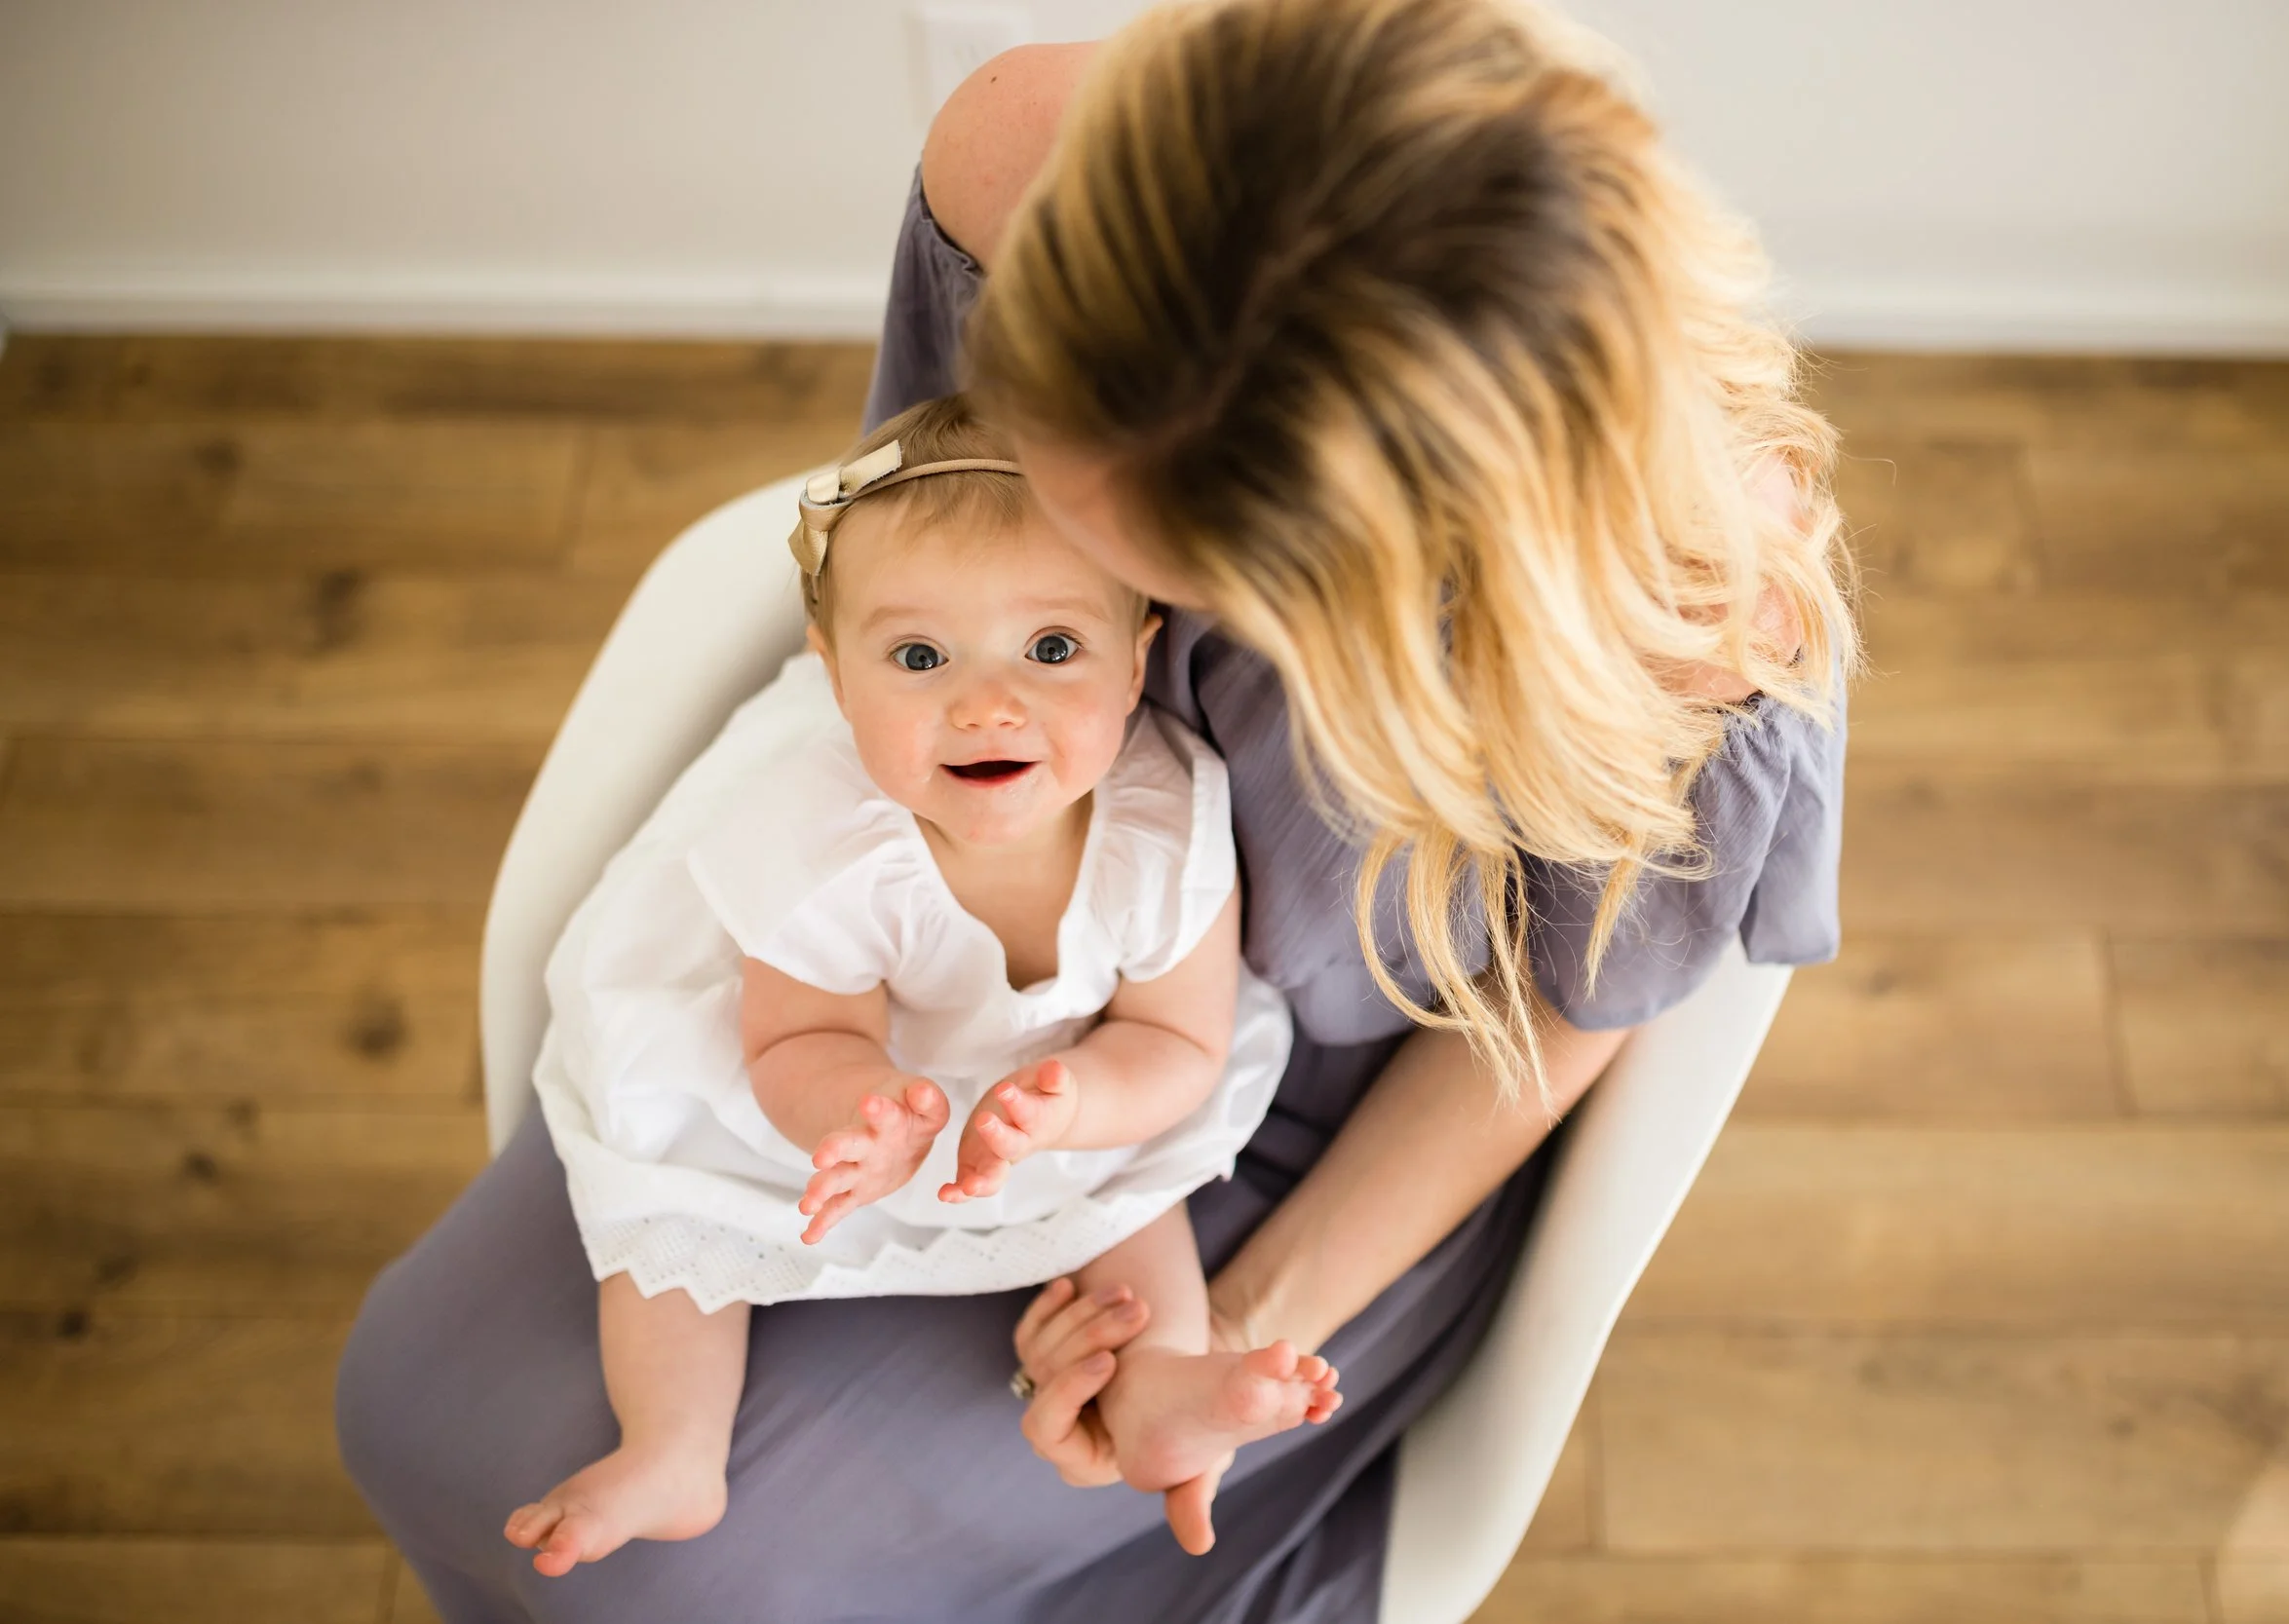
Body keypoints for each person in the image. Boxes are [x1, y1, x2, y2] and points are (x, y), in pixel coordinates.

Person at [336, 1, 1853, 1617]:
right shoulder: (1019, 175)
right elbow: (913, 546)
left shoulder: (1686, 615)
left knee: (687, 1592)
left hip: (1286, 1119)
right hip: (927, 926)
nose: (1085, 557)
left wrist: (1221, 1317)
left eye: (1164, 565)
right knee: (419, 1406)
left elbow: (1554, 1019)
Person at [501, 395, 1336, 1578]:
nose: (987, 703)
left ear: (1137, 652)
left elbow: (1178, 1038)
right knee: (674, 1213)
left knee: (1136, 1204)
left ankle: (1160, 1397)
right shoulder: (819, 845)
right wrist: (858, 1111)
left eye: (1052, 649)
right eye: (918, 656)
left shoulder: (1165, 823)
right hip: (845, 1069)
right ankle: (672, 1445)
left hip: (1062, 1066)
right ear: (834, 675)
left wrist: (1077, 1103)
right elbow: (795, 1034)